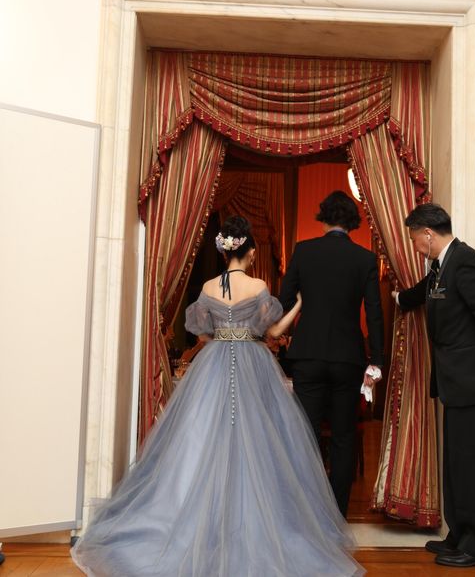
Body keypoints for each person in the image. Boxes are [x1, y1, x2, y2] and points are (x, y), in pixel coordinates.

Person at [71, 216, 364, 577]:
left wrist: (224, 339)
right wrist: (298, 305)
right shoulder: (257, 285)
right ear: (250, 251)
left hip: (214, 361)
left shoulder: (209, 286)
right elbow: (273, 331)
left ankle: (194, 520)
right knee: (259, 439)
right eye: (253, 252)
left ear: (225, 251)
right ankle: (253, 520)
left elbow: (201, 332)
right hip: (254, 361)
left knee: (203, 437)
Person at [392, 203, 475, 568]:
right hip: (452, 379)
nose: (414, 247)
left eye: (414, 238)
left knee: (467, 463)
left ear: (427, 234)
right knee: (455, 462)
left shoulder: (466, 261)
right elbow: (422, 292)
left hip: (470, 378)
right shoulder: (441, 266)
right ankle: (459, 534)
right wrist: (399, 298)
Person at [279, 191, 384, 517]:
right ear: (351, 223)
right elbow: (375, 312)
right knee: (343, 436)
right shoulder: (365, 259)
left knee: (306, 434)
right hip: (347, 357)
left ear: (323, 219)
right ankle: (337, 513)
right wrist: (376, 361)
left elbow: (284, 301)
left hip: (308, 353)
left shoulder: (303, 251)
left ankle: (307, 512)